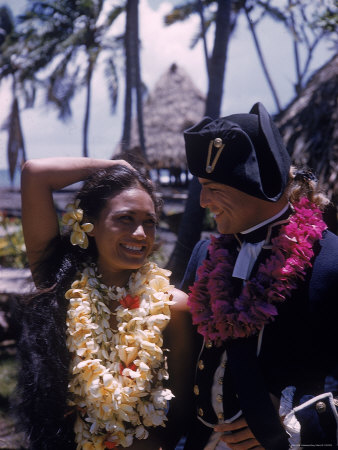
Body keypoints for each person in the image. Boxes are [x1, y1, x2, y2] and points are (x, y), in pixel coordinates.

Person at [180, 102, 338, 449]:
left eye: (214, 186)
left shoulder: (332, 260)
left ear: (258, 184)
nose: (204, 201)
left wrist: (291, 418)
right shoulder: (204, 255)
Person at [17, 157, 194, 449]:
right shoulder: (60, 288)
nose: (140, 234)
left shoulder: (173, 307)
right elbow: (35, 173)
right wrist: (119, 166)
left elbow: (183, 412)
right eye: (125, 218)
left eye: (149, 222)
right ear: (90, 225)